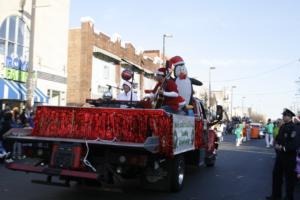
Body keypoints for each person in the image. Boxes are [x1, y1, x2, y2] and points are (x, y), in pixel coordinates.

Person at [266, 108, 300, 200]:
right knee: (276, 176)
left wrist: (283, 148)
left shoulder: (295, 128)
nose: (282, 117)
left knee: (289, 179)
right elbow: (278, 138)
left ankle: (289, 197)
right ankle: (276, 195)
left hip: (289, 157)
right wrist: (276, 143)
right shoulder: (283, 127)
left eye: (284, 115)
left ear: (289, 116)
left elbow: (295, 144)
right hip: (280, 156)